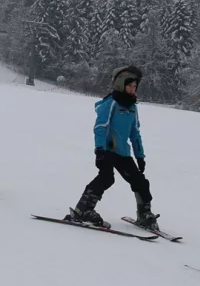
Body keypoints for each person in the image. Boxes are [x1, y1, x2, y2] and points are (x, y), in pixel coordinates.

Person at [65, 65, 159, 230]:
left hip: (123, 153)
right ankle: (83, 210)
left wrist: (140, 156)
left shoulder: (132, 108)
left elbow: (135, 135)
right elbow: (100, 127)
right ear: (121, 84)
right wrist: (99, 150)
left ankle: (144, 214)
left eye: (135, 86)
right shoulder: (111, 104)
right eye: (129, 85)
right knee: (107, 177)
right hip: (108, 151)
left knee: (140, 181)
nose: (132, 89)